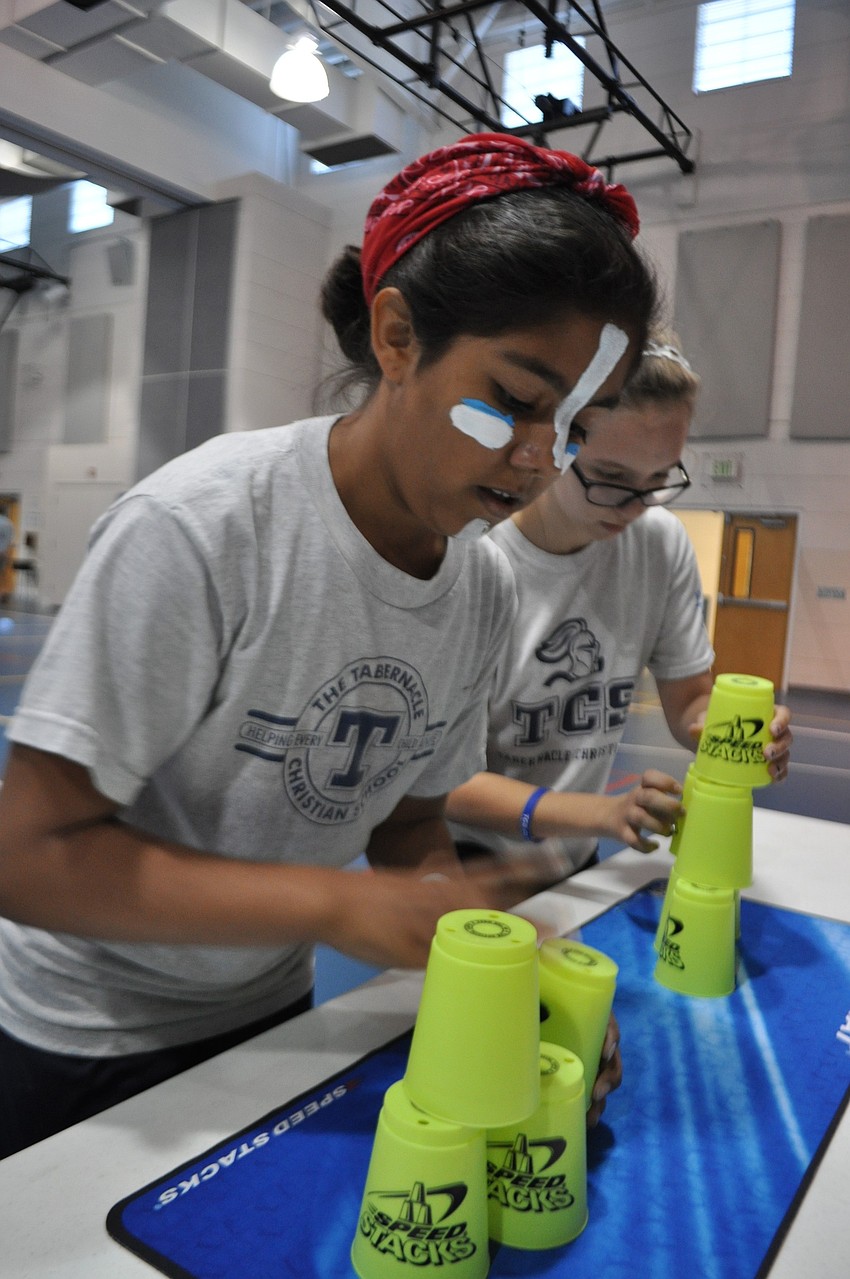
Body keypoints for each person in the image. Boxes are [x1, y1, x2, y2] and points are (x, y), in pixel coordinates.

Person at [0, 133, 659, 1158]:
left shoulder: (476, 580)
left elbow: (408, 825)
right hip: (81, 1037)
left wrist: (489, 965)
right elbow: (29, 857)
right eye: (516, 402)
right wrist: (332, 902)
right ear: (396, 337)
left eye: (572, 426)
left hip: (274, 1013)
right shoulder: (204, 527)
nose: (539, 461)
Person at [446, 334, 793, 871]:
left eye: (657, 480)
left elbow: (690, 706)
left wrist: (737, 733)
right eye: (610, 478)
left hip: (570, 858)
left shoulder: (660, 544)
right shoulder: (472, 562)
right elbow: (443, 783)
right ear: (556, 439)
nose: (634, 507)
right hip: (461, 865)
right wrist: (599, 813)